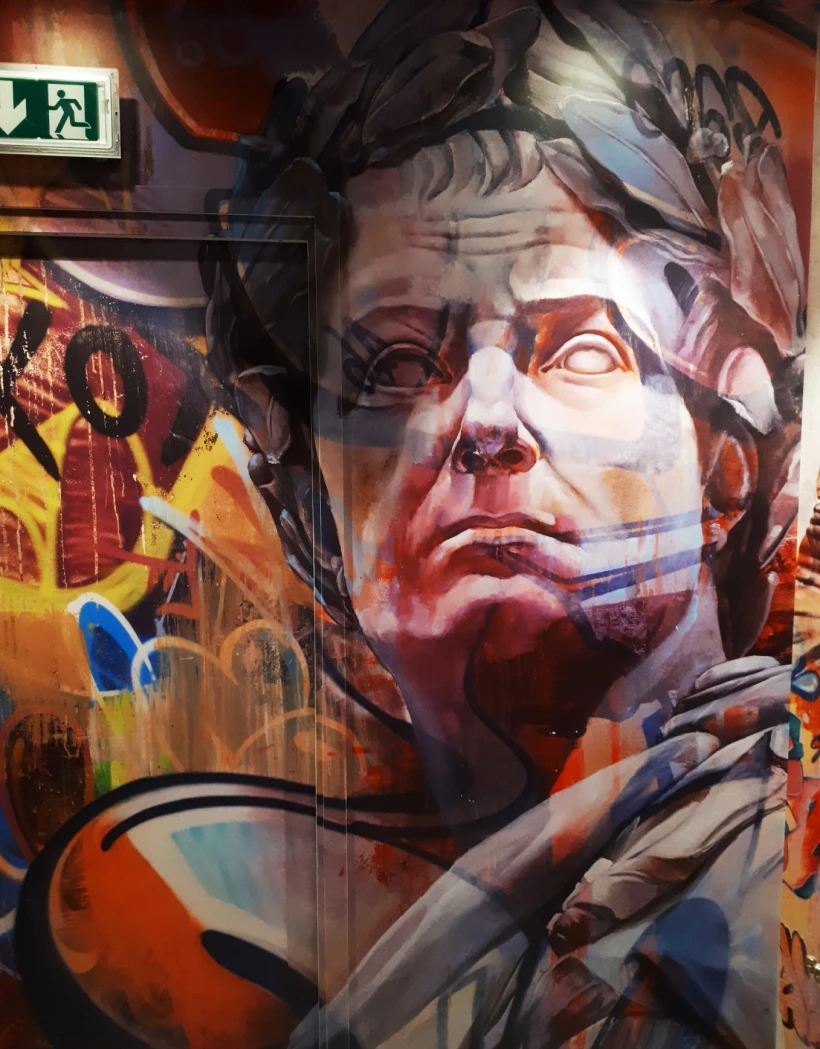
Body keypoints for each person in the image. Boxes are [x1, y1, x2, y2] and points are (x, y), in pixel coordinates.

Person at [15, 2, 804, 1047]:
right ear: (314, 514)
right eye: (393, 362)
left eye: (580, 349)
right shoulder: (286, 891)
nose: (485, 420)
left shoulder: (758, 854)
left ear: (723, 465)